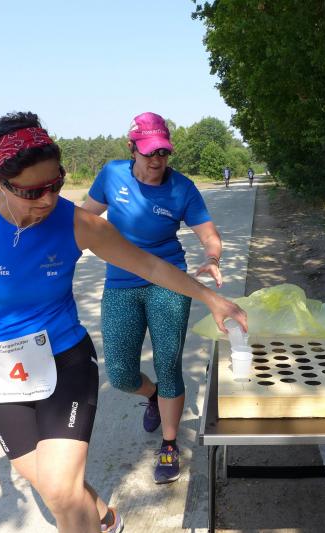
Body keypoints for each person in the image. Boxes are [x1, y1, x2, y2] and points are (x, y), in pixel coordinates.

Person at [0, 111, 247, 533]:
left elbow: (151, 266)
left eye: (56, 184)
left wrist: (212, 298)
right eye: (32, 191)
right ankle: (107, 519)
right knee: (56, 488)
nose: (47, 200)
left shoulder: (77, 223)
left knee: (61, 492)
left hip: (65, 362)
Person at [81, 112, 225, 485]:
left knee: (168, 363)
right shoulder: (112, 175)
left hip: (169, 284)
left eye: (163, 152)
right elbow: (82, 221)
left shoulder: (182, 188)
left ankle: (170, 443)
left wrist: (212, 258)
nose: (157, 160)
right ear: (132, 149)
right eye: (149, 152)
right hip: (120, 284)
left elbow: (209, 235)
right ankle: (153, 395)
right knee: (120, 373)